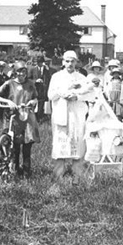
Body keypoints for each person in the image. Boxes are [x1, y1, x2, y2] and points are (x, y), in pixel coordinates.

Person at [47, 50, 95, 179]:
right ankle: (58, 175)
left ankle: (78, 174)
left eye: (72, 61)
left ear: (76, 62)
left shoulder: (81, 78)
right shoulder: (56, 77)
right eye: (67, 61)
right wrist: (65, 91)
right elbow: (50, 95)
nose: (70, 64)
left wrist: (77, 97)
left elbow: (91, 95)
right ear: (63, 62)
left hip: (77, 114)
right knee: (60, 143)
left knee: (77, 141)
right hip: (61, 113)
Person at [0, 61, 40, 178]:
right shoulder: (9, 84)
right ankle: (14, 168)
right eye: (19, 71)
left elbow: (36, 98)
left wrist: (32, 102)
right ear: (15, 72)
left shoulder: (30, 84)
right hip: (12, 117)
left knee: (27, 146)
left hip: (26, 117)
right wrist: (8, 101)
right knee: (14, 145)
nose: (21, 74)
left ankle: (26, 171)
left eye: (24, 71)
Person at [28, 56, 51, 122]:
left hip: (43, 91)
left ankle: (39, 119)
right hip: (35, 90)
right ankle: (32, 118)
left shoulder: (46, 71)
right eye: (38, 62)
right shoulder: (32, 69)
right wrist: (35, 81)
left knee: (41, 106)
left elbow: (48, 80)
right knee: (33, 105)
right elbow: (29, 79)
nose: (39, 64)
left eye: (41, 62)